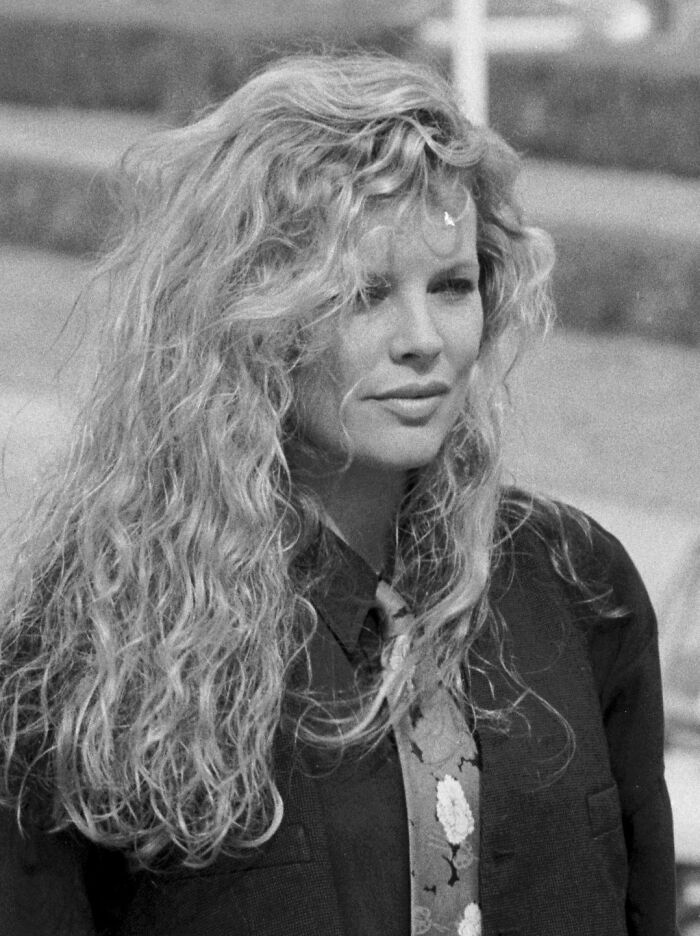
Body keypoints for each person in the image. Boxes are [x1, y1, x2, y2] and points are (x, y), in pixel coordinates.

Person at [0, 53, 678, 936]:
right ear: (251, 314)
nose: (424, 341)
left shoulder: (580, 586)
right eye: (363, 295)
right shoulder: (93, 636)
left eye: (453, 286)